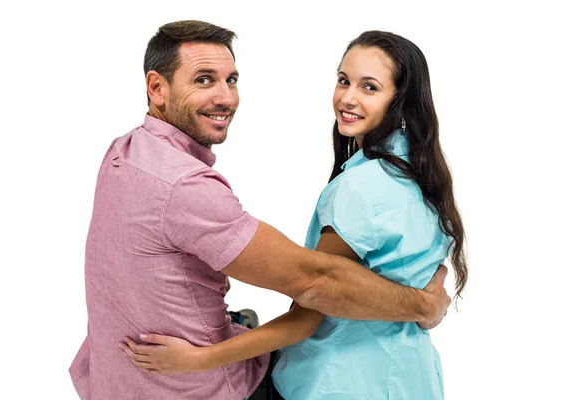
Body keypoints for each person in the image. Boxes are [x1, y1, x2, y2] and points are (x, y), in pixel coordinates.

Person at [70, 21, 452, 400]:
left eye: (231, 80)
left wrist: (205, 350)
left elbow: (313, 292)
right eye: (204, 80)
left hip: (337, 377)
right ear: (157, 88)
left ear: (401, 99)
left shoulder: (123, 153)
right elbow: (315, 284)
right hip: (402, 373)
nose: (225, 98)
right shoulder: (422, 172)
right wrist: (425, 304)